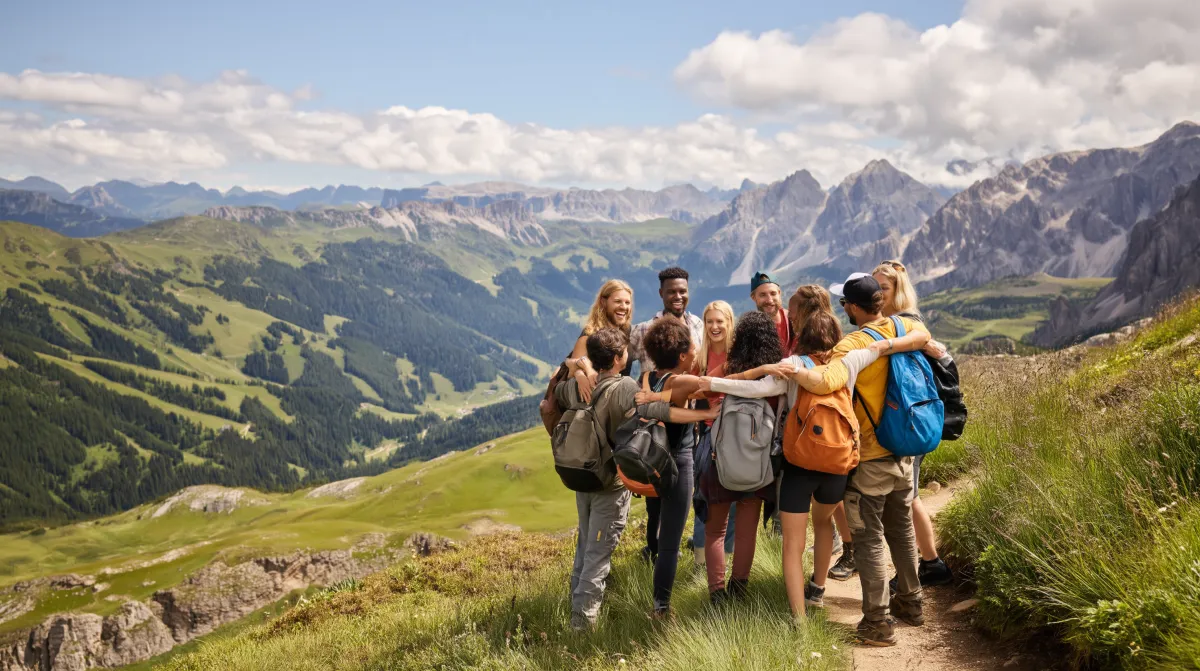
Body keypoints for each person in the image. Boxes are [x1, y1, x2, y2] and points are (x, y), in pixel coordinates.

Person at [700, 307, 930, 620]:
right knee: (824, 525)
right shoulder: (848, 361)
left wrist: (714, 385)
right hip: (837, 464)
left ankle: (799, 619)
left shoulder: (793, 365)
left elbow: (754, 389)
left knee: (793, 546)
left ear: (802, 338)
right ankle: (817, 592)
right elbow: (883, 353)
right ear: (836, 337)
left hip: (799, 465)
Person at [554, 327, 712, 630]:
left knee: (585, 545)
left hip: (579, 475)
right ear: (617, 358)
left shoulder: (578, 387)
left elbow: (557, 392)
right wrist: (703, 416)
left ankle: (574, 610)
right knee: (598, 553)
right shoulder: (624, 386)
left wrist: (578, 368)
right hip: (608, 482)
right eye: (624, 352)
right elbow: (660, 410)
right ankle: (582, 628)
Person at [808, 272, 929, 647]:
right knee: (902, 531)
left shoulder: (850, 346)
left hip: (870, 459)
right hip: (903, 453)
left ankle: (878, 622)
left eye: (844, 303)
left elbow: (826, 383)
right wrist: (889, 346)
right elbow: (923, 336)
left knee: (869, 540)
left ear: (853, 307)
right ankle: (912, 602)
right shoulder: (904, 323)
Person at [873, 260, 954, 588]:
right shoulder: (900, 322)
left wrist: (881, 344)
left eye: (884, 287)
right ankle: (930, 562)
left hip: (907, 420)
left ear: (897, 291)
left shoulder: (904, 323)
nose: (878, 293)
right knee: (910, 495)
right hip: (909, 418)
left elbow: (920, 341)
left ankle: (926, 565)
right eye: (875, 286)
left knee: (905, 498)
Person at [693, 311, 783, 604]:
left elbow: (702, 386)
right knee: (747, 530)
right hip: (758, 463)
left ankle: (716, 594)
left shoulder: (728, 370)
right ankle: (739, 588)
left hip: (722, 459)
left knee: (716, 531)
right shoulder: (776, 375)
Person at [628, 267, 704, 563]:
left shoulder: (697, 324)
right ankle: (654, 547)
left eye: (683, 290)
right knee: (655, 487)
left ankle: (679, 540)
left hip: (691, 421)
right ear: (661, 293)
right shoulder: (644, 329)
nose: (678, 296)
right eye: (671, 291)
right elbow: (623, 365)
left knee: (690, 481)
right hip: (655, 421)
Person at [636, 317, 708, 618]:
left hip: (652, 462)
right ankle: (661, 608)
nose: (695, 352)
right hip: (678, 461)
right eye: (692, 347)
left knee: (660, 529)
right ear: (681, 355)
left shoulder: (646, 377)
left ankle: (659, 605)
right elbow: (711, 384)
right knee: (670, 542)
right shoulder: (678, 381)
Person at [687, 301, 738, 567]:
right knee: (704, 498)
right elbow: (691, 391)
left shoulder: (739, 354)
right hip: (708, 437)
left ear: (730, 323)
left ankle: (725, 561)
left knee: (733, 502)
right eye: (710, 322)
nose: (715, 327)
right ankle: (699, 562)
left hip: (738, 436)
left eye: (720, 321)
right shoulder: (700, 358)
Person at [564, 280, 634, 402]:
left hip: (618, 400)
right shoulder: (590, 334)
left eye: (627, 302)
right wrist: (580, 375)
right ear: (603, 302)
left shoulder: (626, 330)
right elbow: (574, 363)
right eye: (617, 301)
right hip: (594, 401)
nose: (624, 307)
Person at [750, 271, 793, 353]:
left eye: (773, 293)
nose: (769, 300)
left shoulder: (794, 319)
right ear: (753, 297)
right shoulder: (750, 330)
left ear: (779, 293)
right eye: (763, 295)